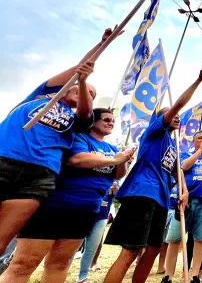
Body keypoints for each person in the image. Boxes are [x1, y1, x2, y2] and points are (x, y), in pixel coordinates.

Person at [0, 26, 118, 255]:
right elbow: (80, 67)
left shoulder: (78, 120)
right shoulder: (41, 94)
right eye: (85, 89)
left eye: (93, 95)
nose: (89, 94)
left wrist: (85, 84)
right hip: (4, 160)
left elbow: (85, 111)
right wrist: (103, 44)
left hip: (40, 176)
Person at [0, 108, 134, 283]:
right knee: (23, 264)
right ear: (93, 121)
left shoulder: (111, 148)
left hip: (86, 210)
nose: (111, 123)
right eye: (106, 119)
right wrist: (115, 160)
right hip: (55, 206)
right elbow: (77, 159)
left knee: (60, 264)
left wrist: (123, 160)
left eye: (112, 121)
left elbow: (117, 175)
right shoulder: (78, 138)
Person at [102, 66, 202, 283]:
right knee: (131, 251)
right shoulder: (154, 132)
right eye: (171, 114)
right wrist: (198, 81)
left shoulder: (173, 143)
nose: (176, 116)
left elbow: (178, 170)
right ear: (161, 119)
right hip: (142, 193)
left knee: (153, 250)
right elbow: (178, 103)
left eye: (177, 115)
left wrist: (184, 191)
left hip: (160, 200)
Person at [161, 130, 202, 283]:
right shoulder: (184, 154)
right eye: (199, 138)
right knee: (175, 238)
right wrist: (199, 151)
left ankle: (195, 275)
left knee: (201, 238)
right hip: (186, 200)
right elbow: (184, 166)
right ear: (193, 141)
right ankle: (168, 276)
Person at [78, 180, 120, 283]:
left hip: (101, 218)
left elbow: (118, 196)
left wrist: (115, 188)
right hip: (83, 215)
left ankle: (82, 277)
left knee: (91, 248)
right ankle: (61, 274)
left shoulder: (114, 179)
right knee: (72, 248)